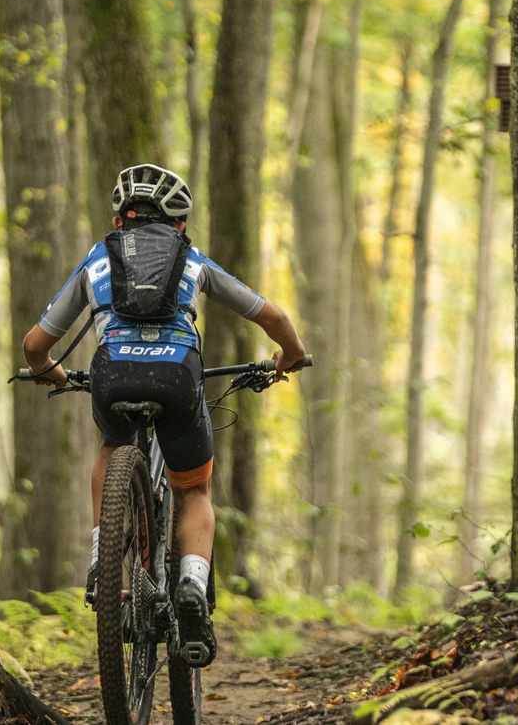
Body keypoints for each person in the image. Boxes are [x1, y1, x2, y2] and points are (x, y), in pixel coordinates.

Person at [20, 163, 307, 667]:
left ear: (118, 221)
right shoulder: (193, 261)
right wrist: (289, 357)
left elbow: (36, 344)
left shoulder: (98, 261)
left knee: (111, 448)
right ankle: (193, 585)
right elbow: (274, 317)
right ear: (179, 224)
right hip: (177, 376)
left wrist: (49, 372)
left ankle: (100, 564)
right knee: (193, 489)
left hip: (112, 376)